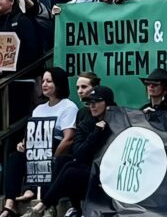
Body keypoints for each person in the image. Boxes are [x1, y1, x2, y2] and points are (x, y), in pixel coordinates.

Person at [21, 86, 115, 217]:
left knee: (70, 169)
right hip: (92, 170)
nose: (92, 105)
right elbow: (79, 155)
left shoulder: (117, 121)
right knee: (65, 163)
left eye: (96, 102)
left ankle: (46, 203)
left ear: (108, 103)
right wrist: (96, 133)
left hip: (112, 172)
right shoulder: (87, 124)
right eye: (90, 102)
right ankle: (62, 206)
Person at [2, 67, 78, 216]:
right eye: (43, 81)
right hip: (36, 149)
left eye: (49, 81)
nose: (44, 84)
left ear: (59, 84)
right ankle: (10, 203)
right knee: (15, 157)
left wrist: (53, 157)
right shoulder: (39, 109)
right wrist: (23, 143)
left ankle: (33, 191)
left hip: (55, 149)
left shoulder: (68, 107)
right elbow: (33, 133)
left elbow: (68, 138)